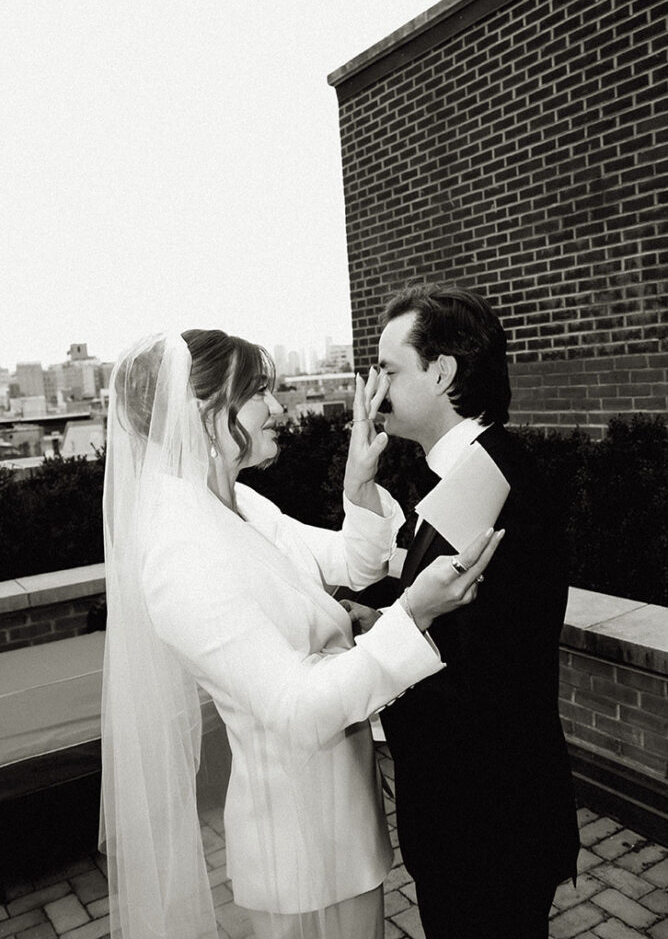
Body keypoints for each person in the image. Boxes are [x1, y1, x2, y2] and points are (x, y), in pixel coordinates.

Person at [100, 328, 503, 939]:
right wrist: (411, 616)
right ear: (207, 411)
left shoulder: (242, 505)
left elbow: (351, 563)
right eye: (261, 391)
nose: (281, 407)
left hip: (344, 825)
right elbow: (295, 708)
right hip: (297, 849)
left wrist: (360, 480)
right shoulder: (179, 556)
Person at [345, 286, 580, 939]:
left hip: (484, 831)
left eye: (390, 370)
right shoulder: (477, 469)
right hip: (486, 820)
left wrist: (361, 678)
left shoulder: (486, 482)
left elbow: (465, 673)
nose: (378, 390)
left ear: (441, 372)